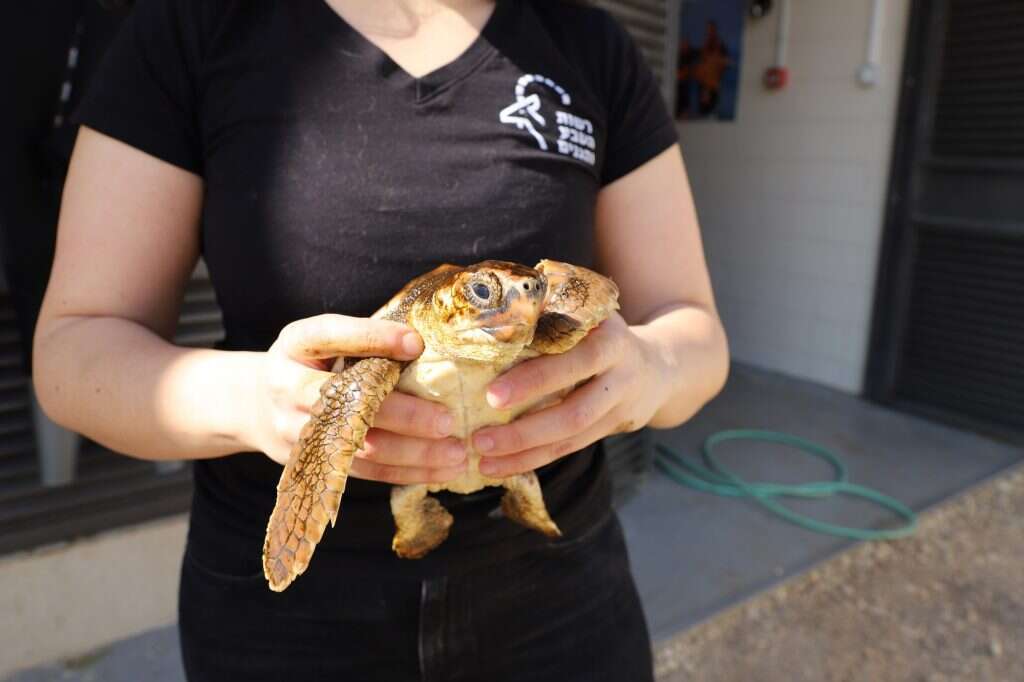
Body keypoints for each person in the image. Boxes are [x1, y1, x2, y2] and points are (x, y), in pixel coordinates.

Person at [32, 0, 729, 680]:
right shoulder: (193, 26)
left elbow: (690, 327)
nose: (512, 304)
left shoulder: (589, 44)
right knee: (359, 385)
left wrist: (650, 369)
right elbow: (73, 352)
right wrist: (258, 403)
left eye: (518, 294)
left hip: (559, 597)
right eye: (489, 293)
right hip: (286, 624)